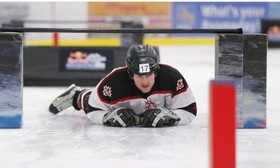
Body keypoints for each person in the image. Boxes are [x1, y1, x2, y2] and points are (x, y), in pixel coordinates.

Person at [49, 44, 197, 127]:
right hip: (97, 101)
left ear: (156, 71)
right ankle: (75, 95)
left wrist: (172, 116)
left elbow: (190, 110)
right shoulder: (113, 82)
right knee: (87, 100)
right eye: (140, 75)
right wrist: (106, 117)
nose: (145, 81)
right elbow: (92, 109)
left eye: (149, 75)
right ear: (130, 73)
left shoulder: (172, 77)